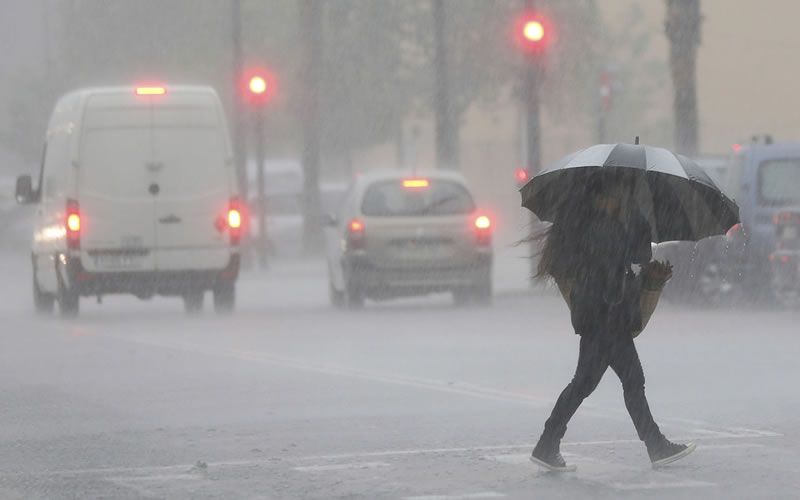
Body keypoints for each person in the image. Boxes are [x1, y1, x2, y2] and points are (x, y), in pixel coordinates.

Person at [529, 172, 696, 472]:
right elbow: (632, 259)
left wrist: (644, 269)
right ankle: (655, 446)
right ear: (599, 198)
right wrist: (634, 222)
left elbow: (627, 265)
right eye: (615, 195)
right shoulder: (604, 229)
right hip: (606, 318)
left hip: (601, 318)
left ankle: (547, 443)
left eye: (621, 195)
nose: (618, 200)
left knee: (587, 384)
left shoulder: (595, 227)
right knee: (628, 382)